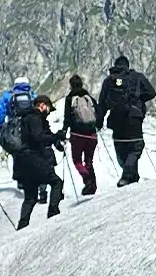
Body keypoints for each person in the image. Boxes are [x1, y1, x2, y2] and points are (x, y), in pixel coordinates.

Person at [96, 55, 155, 185]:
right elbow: (152, 92)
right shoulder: (137, 77)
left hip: (116, 119)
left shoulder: (108, 81)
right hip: (134, 118)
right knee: (136, 147)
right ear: (127, 66)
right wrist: (138, 100)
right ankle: (127, 176)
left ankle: (131, 177)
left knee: (122, 149)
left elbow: (102, 104)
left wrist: (98, 122)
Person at [15, 95, 64, 229]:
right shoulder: (35, 117)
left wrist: (55, 139)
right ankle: (53, 213)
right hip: (33, 159)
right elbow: (38, 137)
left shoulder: (25, 118)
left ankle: (22, 225)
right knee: (56, 182)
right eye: (48, 108)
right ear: (42, 105)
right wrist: (56, 136)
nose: (48, 112)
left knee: (30, 198)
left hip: (21, 162)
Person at [62, 74, 101, 196]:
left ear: (71, 85)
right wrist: (97, 127)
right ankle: (92, 186)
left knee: (77, 160)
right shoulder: (88, 97)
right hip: (91, 135)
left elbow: (67, 118)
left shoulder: (70, 99)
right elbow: (98, 112)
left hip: (77, 135)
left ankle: (87, 181)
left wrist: (64, 132)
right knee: (89, 161)